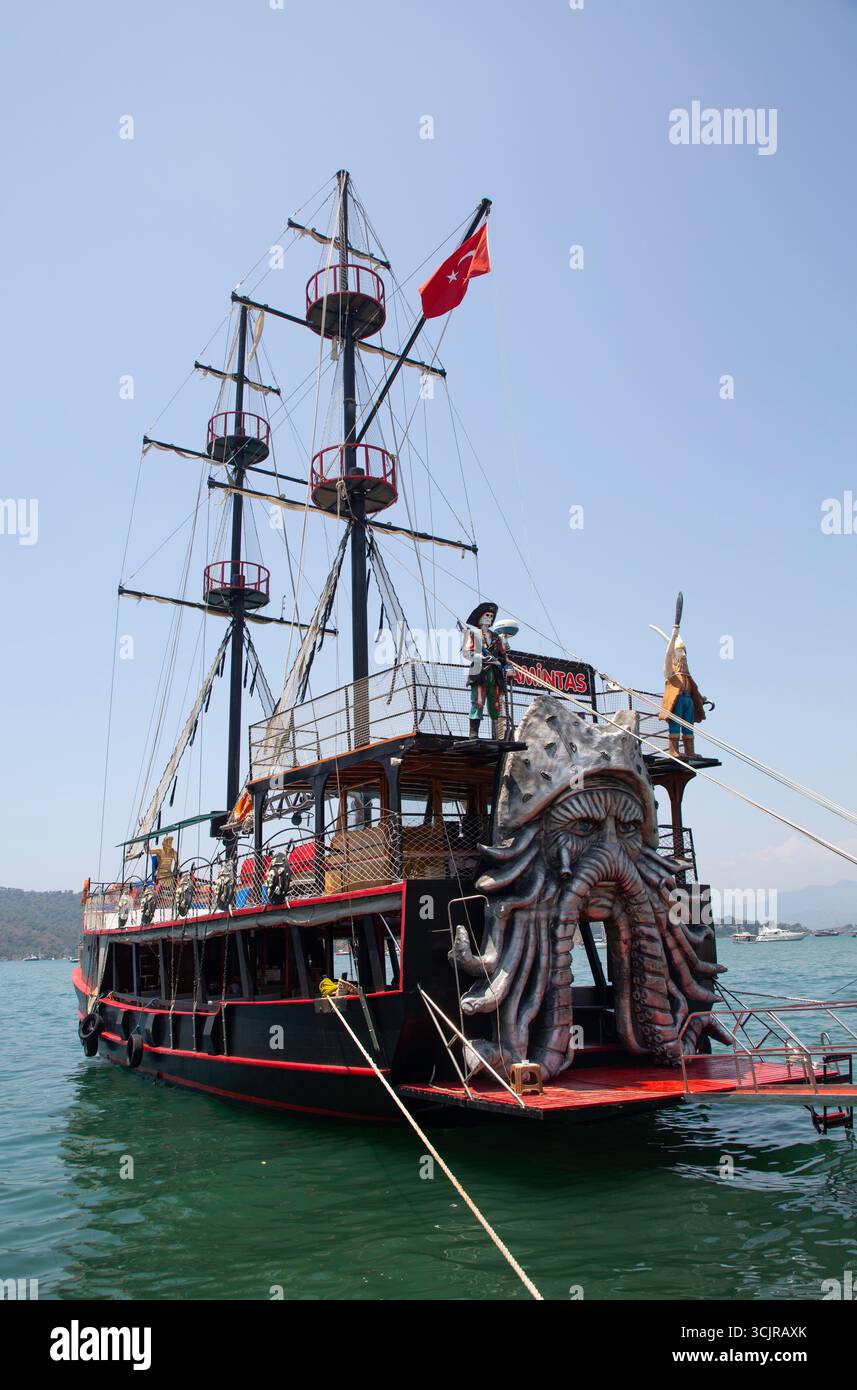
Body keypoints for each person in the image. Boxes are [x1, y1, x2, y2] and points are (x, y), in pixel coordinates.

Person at [659, 626, 714, 758]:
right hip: (677, 700)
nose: (683, 655)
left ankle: (690, 751)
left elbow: (694, 690)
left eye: (684, 652)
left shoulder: (687, 675)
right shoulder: (670, 672)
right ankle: (674, 751)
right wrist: (674, 635)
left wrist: (702, 699)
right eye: (679, 651)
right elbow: (668, 654)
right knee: (675, 725)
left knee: (689, 726)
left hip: (688, 700)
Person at [463, 601, 512, 738]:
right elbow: (467, 653)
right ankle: (474, 733)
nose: (489, 618)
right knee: (478, 702)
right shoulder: (473, 634)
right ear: (479, 617)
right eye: (486, 615)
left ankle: (496, 735)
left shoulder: (496, 637)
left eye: (491, 616)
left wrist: (508, 667)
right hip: (479, 672)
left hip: (495, 675)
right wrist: (483, 658)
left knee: (495, 704)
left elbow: (503, 657)